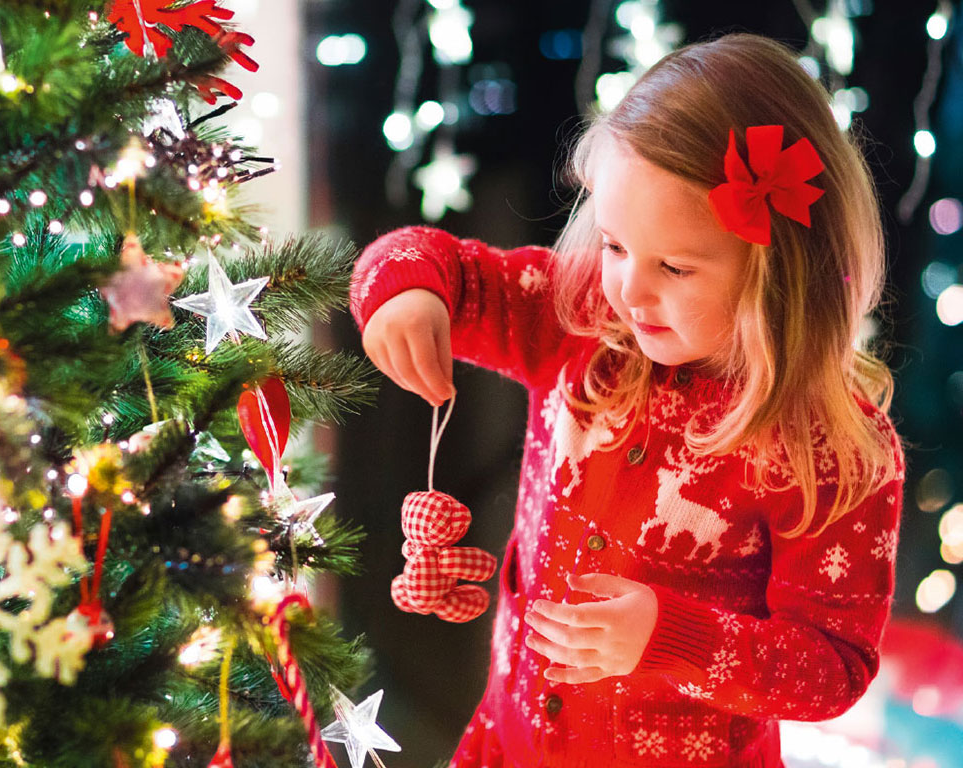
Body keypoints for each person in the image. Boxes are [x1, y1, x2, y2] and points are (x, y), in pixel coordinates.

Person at [348, 33, 907, 767]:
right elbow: (443, 265)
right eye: (613, 245)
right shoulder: (582, 320)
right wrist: (404, 294)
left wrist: (670, 638)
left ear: (781, 273)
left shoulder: (830, 451)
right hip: (512, 746)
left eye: (675, 266)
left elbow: (833, 668)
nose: (630, 291)